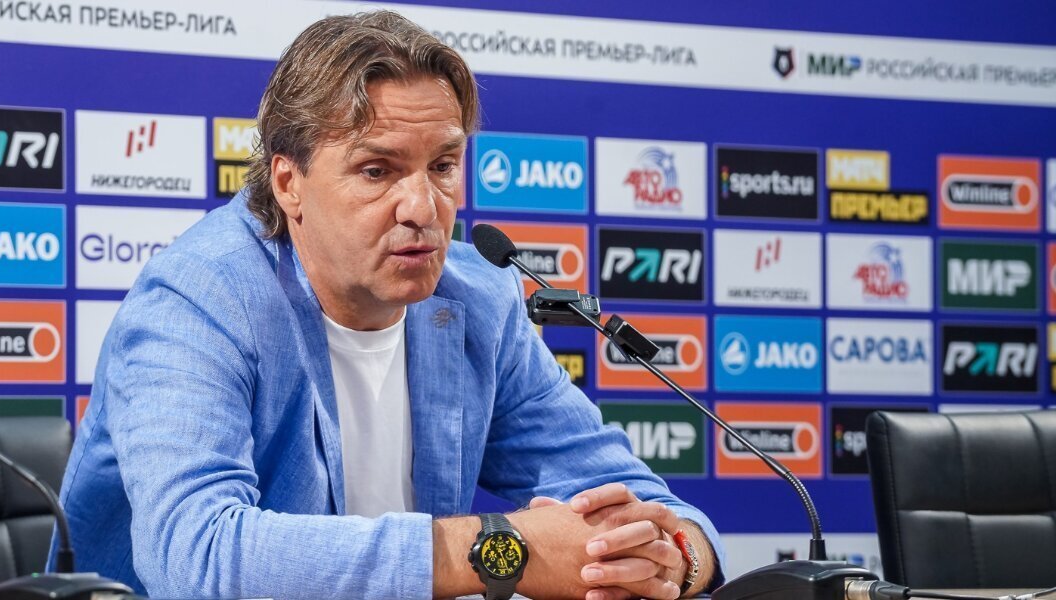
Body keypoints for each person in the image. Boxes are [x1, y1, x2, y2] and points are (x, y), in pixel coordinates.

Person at [52, 10, 724, 600]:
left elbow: (631, 495)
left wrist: (674, 560)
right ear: (288, 181)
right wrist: (499, 550)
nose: (423, 208)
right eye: (378, 171)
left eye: (443, 167)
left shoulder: (476, 298)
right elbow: (198, 558)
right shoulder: (200, 297)